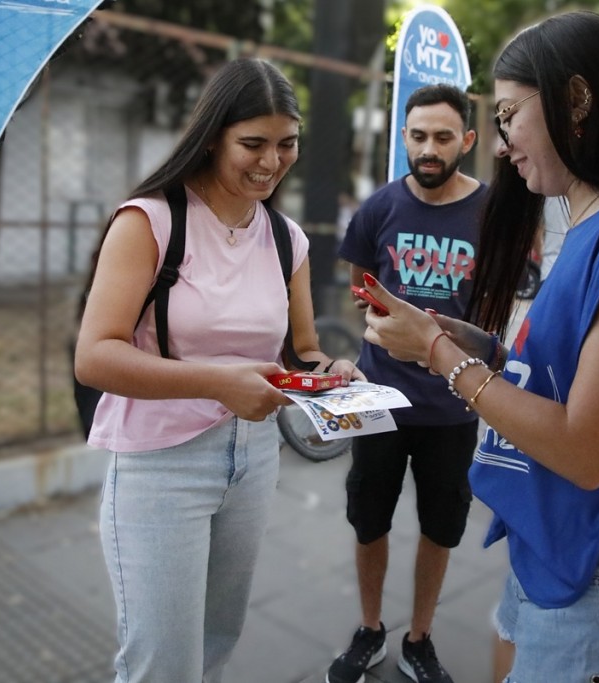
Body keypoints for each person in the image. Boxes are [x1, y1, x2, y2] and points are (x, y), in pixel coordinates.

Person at [356, 11, 599, 683]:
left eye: (508, 116)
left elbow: (588, 450)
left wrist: (444, 358)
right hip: (564, 545)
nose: (501, 144)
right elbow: (565, 373)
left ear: (576, 101)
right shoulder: (592, 221)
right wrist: (460, 340)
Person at [73, 58, 363, 683]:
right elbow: (94, 355)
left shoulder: (288, 239)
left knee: (214, 644)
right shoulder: (150, 220)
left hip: (252, 460)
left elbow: (300, 350)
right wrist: (216, 381)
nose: (273, 161)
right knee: (162, 663)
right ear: (212, 136)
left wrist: (332, 373)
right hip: (160, 464)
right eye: (253, 144)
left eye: (287, 144)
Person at [326, 83, 488, 683]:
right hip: (379, 402)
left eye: (442, 137)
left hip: (454, 405)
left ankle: (419, 639)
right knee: (370, 519)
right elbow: (362, 288)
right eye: (418, 136)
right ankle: (370, 630)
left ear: (466, 141)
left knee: (440, 527)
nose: (429, 148)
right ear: (404, 138)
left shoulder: (492, 212)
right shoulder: (378, 209)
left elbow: (502, 306)